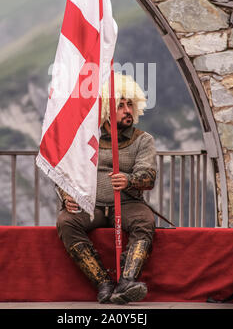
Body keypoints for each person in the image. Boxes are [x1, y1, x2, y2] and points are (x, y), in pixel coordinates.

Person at [56, 72, 157, 305]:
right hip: (90, 204)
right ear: (105, 109)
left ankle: (127, 281)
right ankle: (103, 282)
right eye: (120, 105)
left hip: (128, 203)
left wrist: (129, 180)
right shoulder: (85, 139)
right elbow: (64, 173)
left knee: (145, 221)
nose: (127, 110)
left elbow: (148, 175)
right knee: (66, 222)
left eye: (130, 104)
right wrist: (66, 195)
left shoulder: (144, 140)